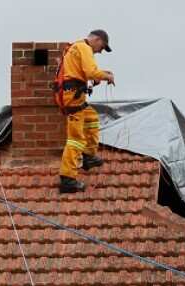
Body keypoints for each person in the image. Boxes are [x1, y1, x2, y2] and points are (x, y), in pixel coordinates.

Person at [56, 29, 115, 194]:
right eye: (102, 47)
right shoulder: (84, 48)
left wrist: (98, 77)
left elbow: (85, 76)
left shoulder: (77, 48)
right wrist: (107, 76)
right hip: (73, 98)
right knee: (75, 140)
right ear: (96, 39)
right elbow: (91, 72)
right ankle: (67, 179)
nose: (100, 51)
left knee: (92, 118)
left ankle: (89, 157)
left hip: (76, 96)